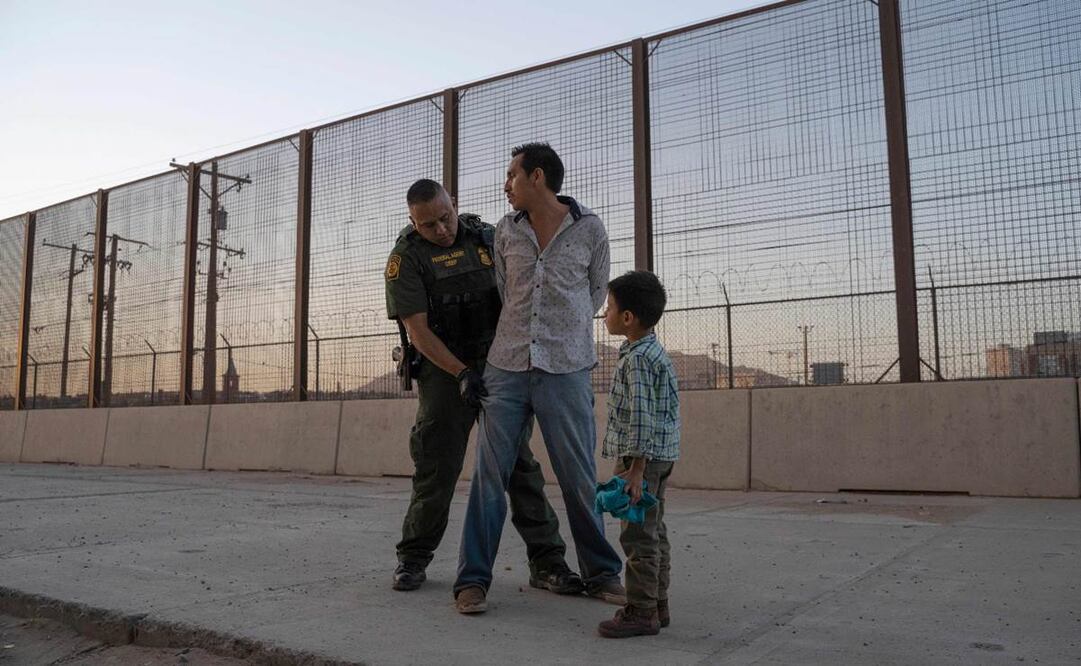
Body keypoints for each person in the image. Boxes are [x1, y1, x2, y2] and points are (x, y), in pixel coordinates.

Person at [453, 143, 625, 614]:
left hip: (566, 368)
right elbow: (508, 291)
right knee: (489, 476)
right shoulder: (506, 231)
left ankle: (602, 573)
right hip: (505, 367)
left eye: (511, 175)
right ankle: (472, 581)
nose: (505, 184)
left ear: (538, 177)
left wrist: (558, 334)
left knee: (577, 475)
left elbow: (593, 294)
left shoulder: (590, 229)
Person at [384, 178, 578, 594]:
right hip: (443, 371)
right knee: (437, 468)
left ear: (453, 203)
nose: (441, 230)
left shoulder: (489, 238)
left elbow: (520, 296)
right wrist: (461, 374)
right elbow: (418, 332)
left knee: (519, 468)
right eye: (428, 225)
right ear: (412, 222)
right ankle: (413, 559)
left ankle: (548, 563)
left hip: (498, 364)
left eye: (445, 217)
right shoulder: (406, 258)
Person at [596, 270, 680, 638]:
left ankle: (641, 611)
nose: (604, 314)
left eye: (609, 307)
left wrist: (635, 469)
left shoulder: (638, 360)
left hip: (640, 459)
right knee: (653, 528)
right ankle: (657, 604)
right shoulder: (649, 351)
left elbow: (642, 418)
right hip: (659, 455)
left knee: (637, 535)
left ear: (628, 317)